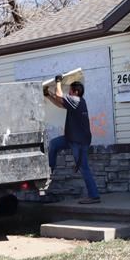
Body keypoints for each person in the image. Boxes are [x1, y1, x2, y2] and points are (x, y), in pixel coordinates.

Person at [46, 76, 100, 204]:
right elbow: (60, 103)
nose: (68, 92)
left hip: (79, 142)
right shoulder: (77, 102)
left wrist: (58, 81)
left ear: (75, 92)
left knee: (83, 167)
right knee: (53, 144)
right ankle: (49, 172)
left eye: (70, 90)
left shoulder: (76, 100)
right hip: (71, 138)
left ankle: (94, 196)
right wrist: (48, 95)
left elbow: (60, 95)